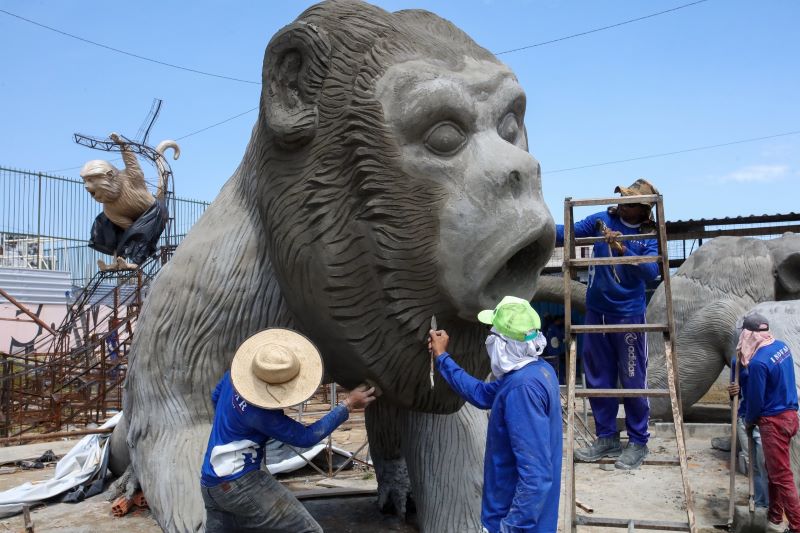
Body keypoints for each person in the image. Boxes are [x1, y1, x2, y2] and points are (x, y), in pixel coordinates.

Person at [199, 328, 376, 532]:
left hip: (210, 482)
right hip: (241, 482)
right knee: (308, 530)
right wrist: (347, 404)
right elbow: (307, 437)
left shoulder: (232, 378)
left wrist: (236, 424)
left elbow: (215, 398)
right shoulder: (263, 415)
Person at [429, 296, 562, 533]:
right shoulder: (536, 371)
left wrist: (509, 528)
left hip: (515, 522)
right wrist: (443, 358)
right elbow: (481, 394)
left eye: (492, 334)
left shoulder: (522, 391)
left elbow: (536, 476)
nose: (488, 340)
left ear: (503, 344)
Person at [555, 178, 660, 470]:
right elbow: (569, 233)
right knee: (599, 377)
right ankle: (607, 437)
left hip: (627, 315)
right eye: (624, 199)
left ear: (643, 209)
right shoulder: (602, 221)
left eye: (631, 202)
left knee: (631, 378)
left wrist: (623, 250)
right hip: (596, 312)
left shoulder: (648, 234)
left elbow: (651, 272)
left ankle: (639, 441)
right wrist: (538, 230)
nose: (624, 205)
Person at [739, 312, 800, 533]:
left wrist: (749, 420)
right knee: (774, 469)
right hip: (791, 416)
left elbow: (755, 400)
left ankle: (796, 526)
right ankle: (775, 517)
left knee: (782, 476)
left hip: (773, 423)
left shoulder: (758, 362)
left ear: (748, 334)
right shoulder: (782, 347)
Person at [728, 355, 769, 509]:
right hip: (744, 417)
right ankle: (760, 503)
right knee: (752, 464)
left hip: (763, 418)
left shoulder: (766, 357)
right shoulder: (737, 361)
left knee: (764, 463)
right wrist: (733, 391)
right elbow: (734, 393)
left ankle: (771, 506)